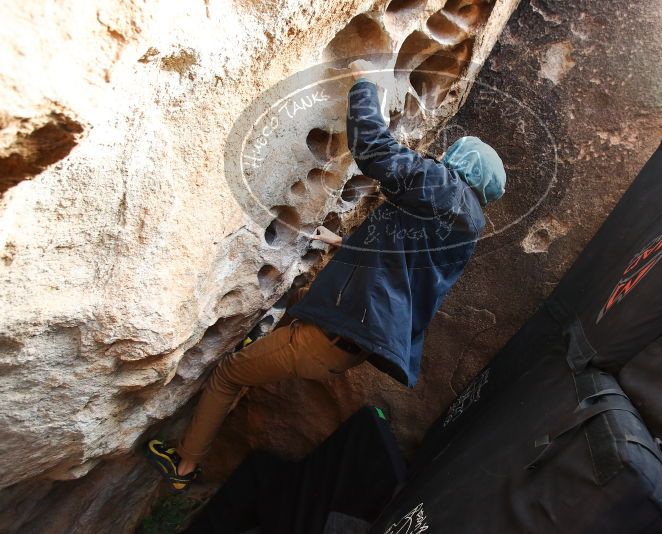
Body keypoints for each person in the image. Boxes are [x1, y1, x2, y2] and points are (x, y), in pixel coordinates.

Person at [145, 62, 507, 491]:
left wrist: (365, 85)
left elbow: (372, 148)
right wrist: (343, 244)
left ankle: (184, 467)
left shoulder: (443, 186)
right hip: (351, 341)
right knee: (262, 359)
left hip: (328, 337)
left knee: (228, 375)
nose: (445, 158)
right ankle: (259, 350)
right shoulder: (466, 227)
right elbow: (405, 271)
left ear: (463, 165)